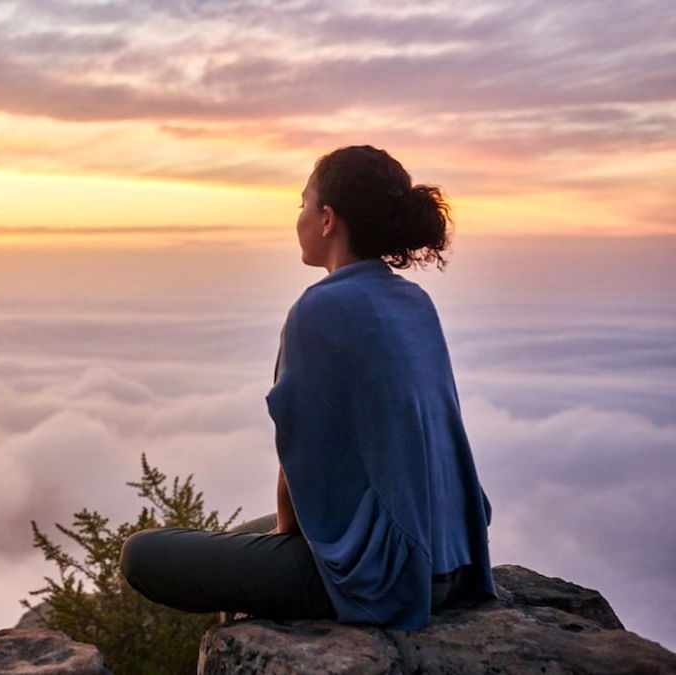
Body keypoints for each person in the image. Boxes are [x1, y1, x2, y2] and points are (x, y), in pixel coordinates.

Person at [118, 145, 498, 630]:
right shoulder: (413, 300)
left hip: (391, 577)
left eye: (302, 204)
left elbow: (302, 459)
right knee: (237, 536)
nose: (297, 217)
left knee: (144, 554)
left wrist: (286, 540)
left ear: (327, 219)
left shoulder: (321, 309)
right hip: (452, 557)